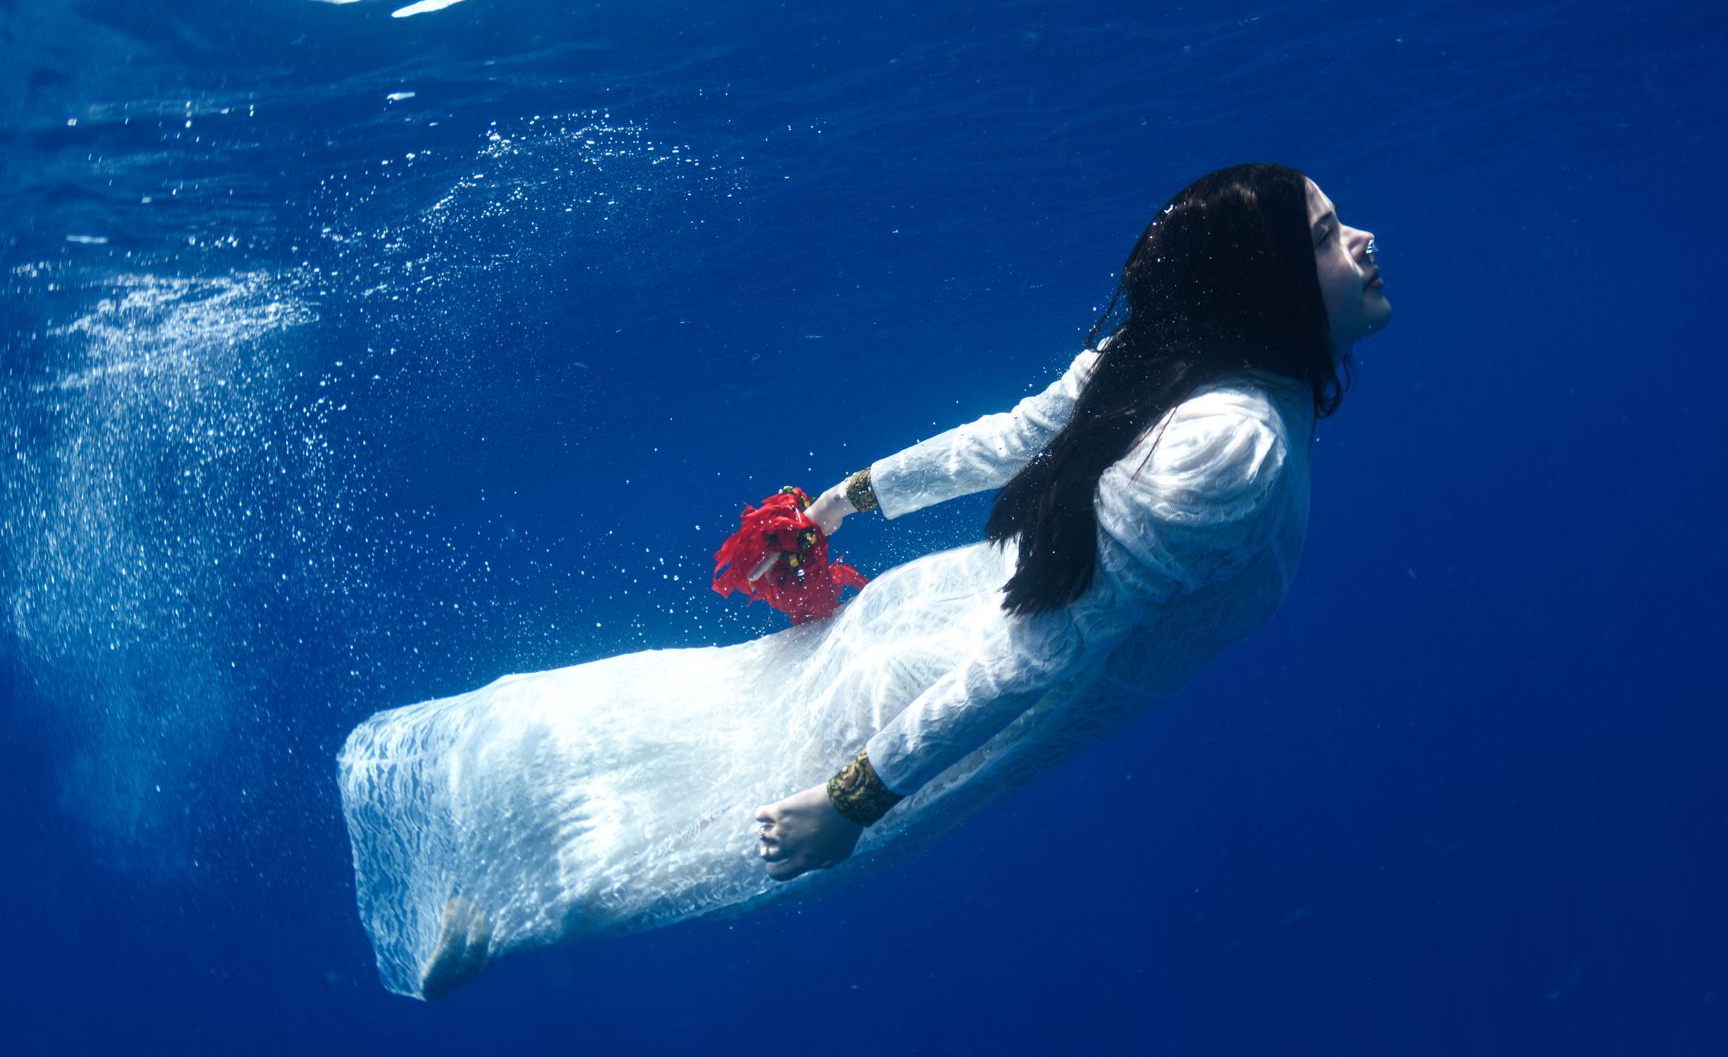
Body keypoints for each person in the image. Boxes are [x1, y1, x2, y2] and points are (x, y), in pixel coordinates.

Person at [337, 163, 1391, 999]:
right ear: (1260, 282)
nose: (1361, 241)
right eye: (1323, 234)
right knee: (723, 836)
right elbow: (1044, 652)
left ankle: (493, 875)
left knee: (701, 726)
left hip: (935, 624)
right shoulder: (1235, 442)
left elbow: (1013, 441)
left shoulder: (1177, 360)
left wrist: (850, 496)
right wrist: (856, 798)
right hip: (958, 687)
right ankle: (509, 925)